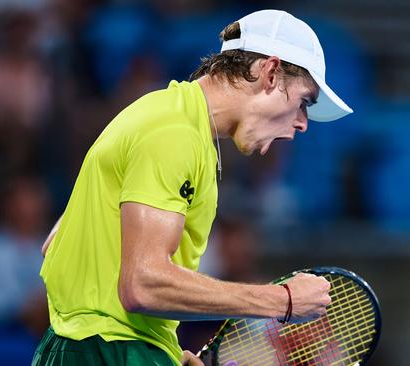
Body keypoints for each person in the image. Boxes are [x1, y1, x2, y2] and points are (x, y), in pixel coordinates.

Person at [33, 9, 352, 366]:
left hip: (104, 346)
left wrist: (161, 349)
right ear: (270, 72)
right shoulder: (175, 134)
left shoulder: (171, 118)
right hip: (105, 350)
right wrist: (282, 301)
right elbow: (142, 284)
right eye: (304, 102)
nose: (303, 123)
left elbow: (59, 244)